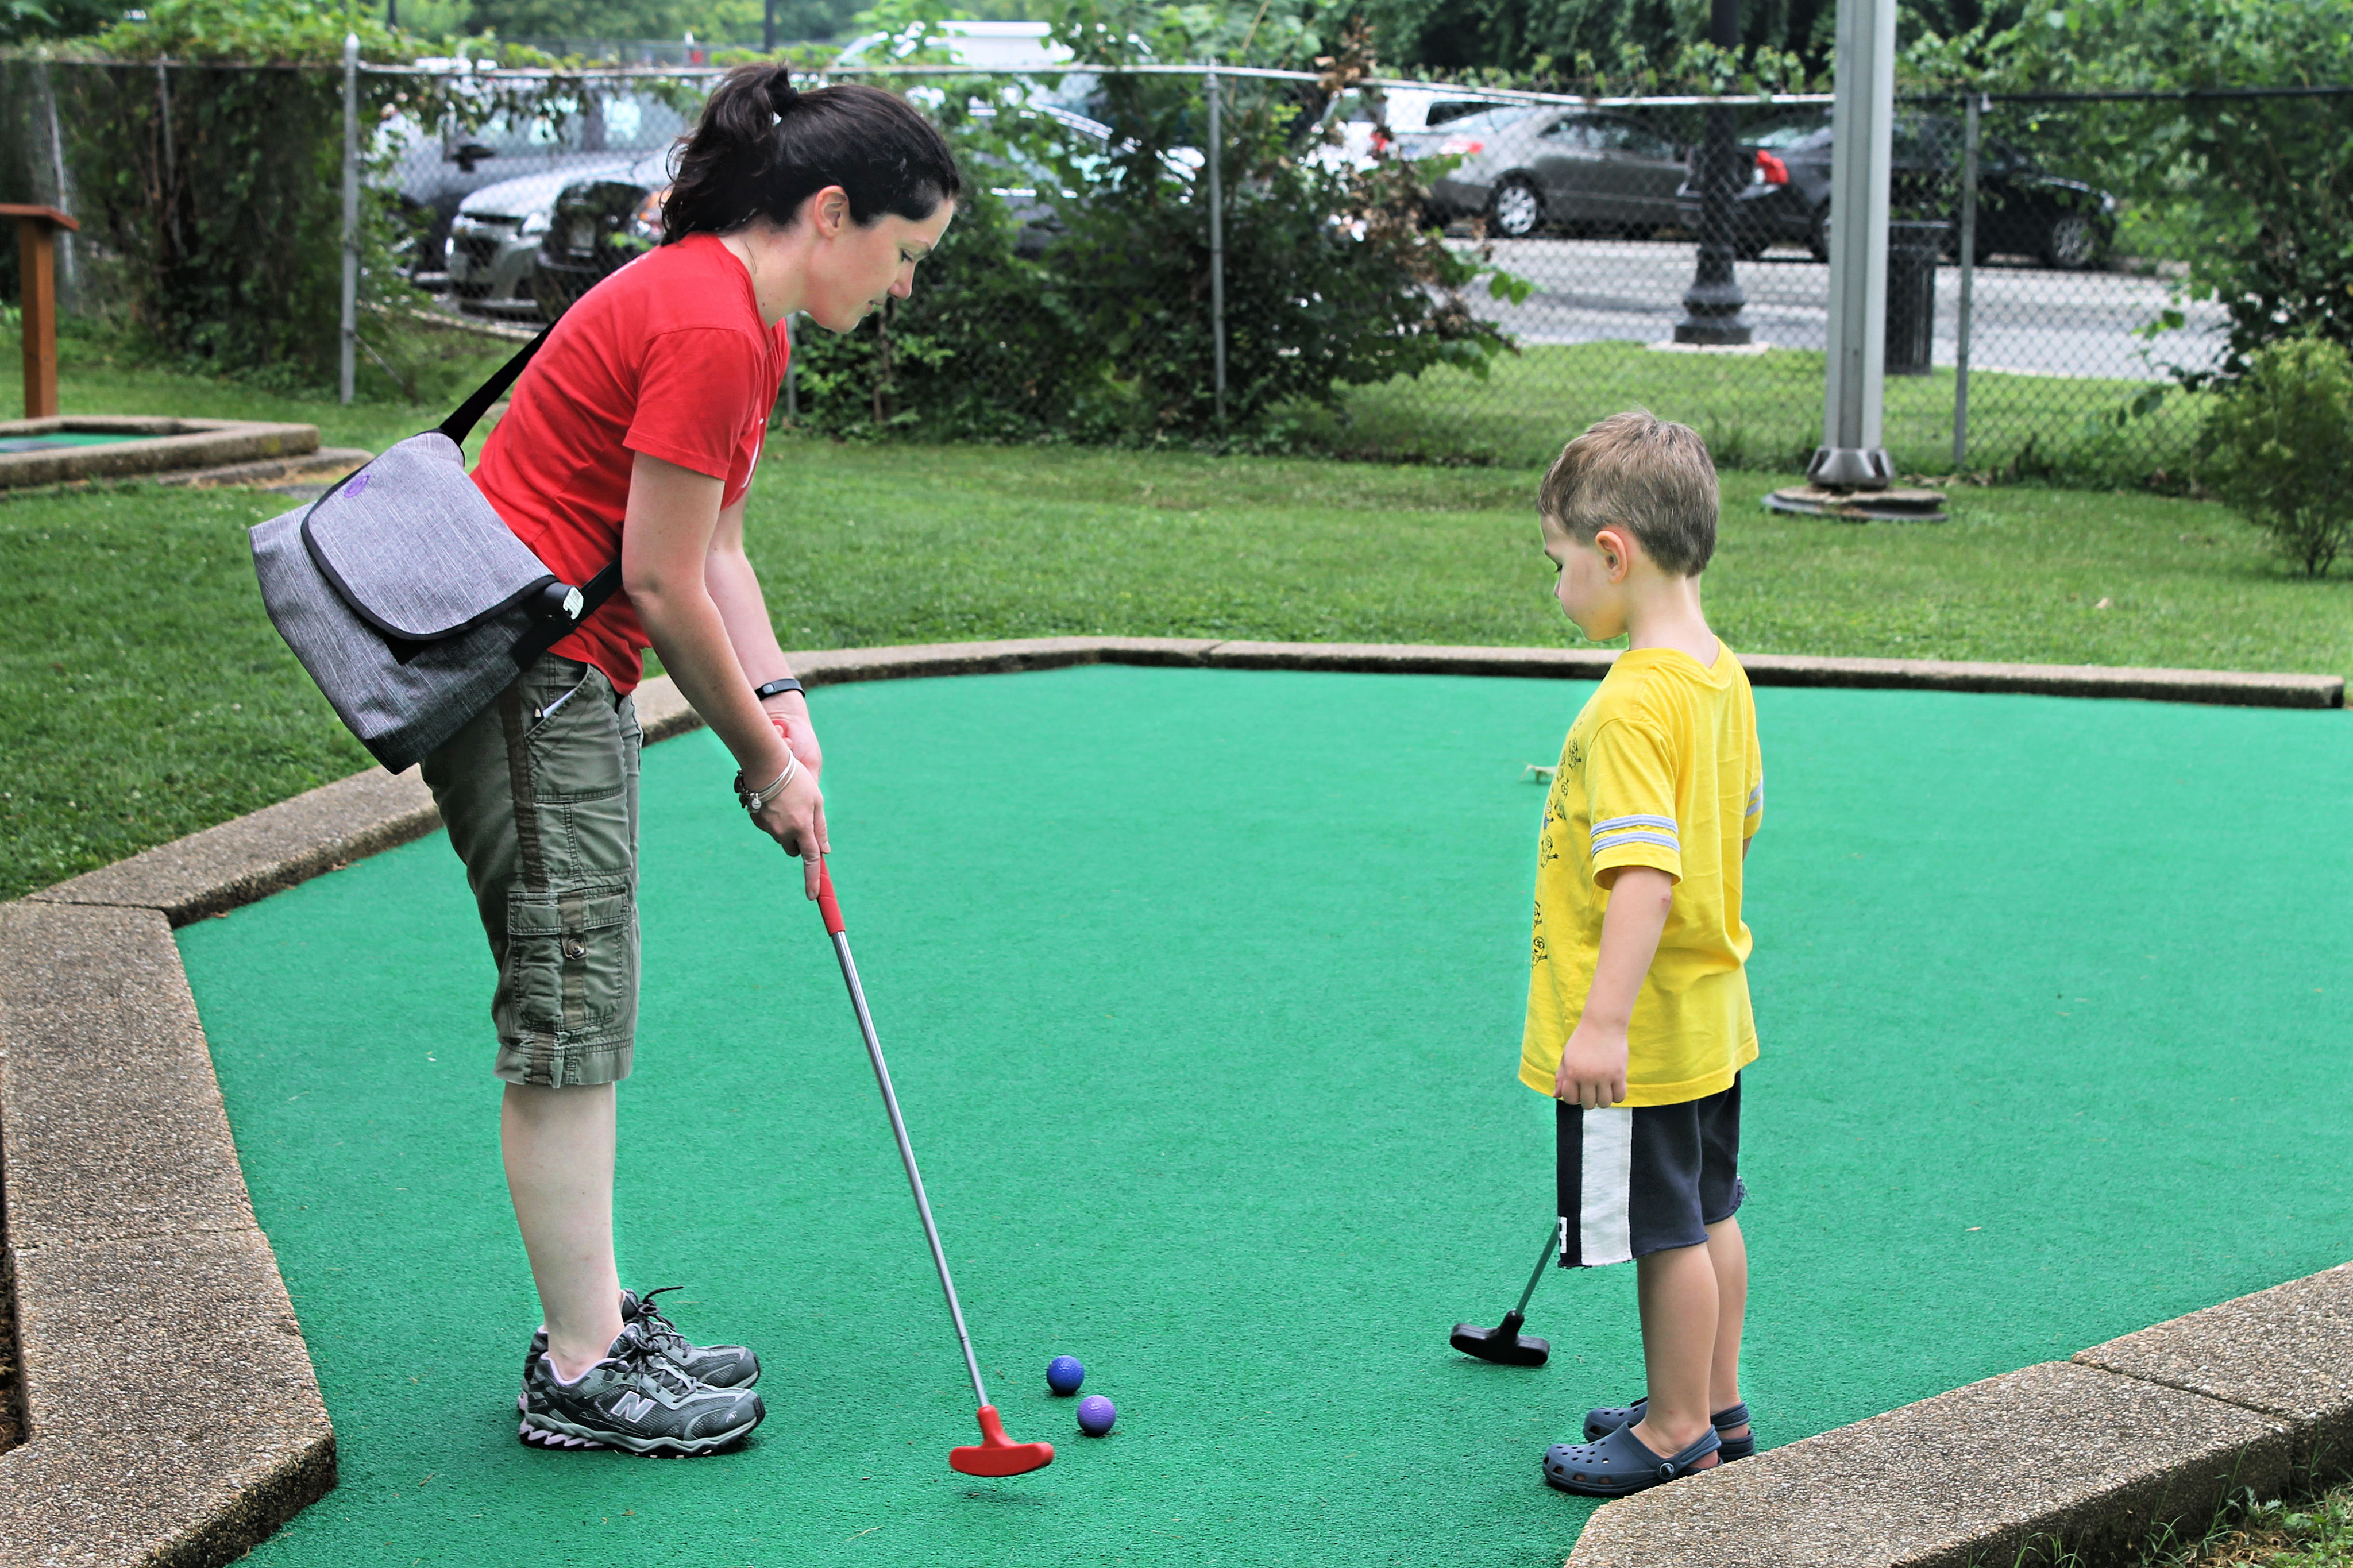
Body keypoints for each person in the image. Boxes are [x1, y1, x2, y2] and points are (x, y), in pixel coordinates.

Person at [418, 65, 960, 1457]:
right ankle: (583, 1369)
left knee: (582, 1005)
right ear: (829, 214)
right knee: (569, 1016)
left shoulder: (745, 316)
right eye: (902, 255)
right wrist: (760, 767)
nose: (901, 289)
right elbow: (658, 586)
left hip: (562, 677)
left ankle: (593, 1324)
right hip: (532, 684)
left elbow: (719, 551)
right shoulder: (712, 320)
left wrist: (785, 705)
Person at [1515, 411, 1765, 1497]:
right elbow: (1744, 812)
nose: (1559, 584)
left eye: (1561, 562)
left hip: (1646, 1033)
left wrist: (1602, 1020)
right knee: (1711, 1211)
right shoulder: (1721, 673)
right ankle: (1717, 1401)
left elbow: (1643, 877)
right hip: (1714, 1013)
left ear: (1612, 552)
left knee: (1664, 1233)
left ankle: (1673, 1431)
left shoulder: (1627, 705)